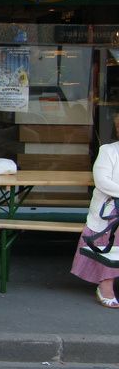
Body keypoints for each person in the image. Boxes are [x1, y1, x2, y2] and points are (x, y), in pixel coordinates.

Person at [72, 113, 119, 308]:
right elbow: (102, 182)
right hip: (110, 210)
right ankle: (106, 285)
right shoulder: (108, 151)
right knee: (117, 227)